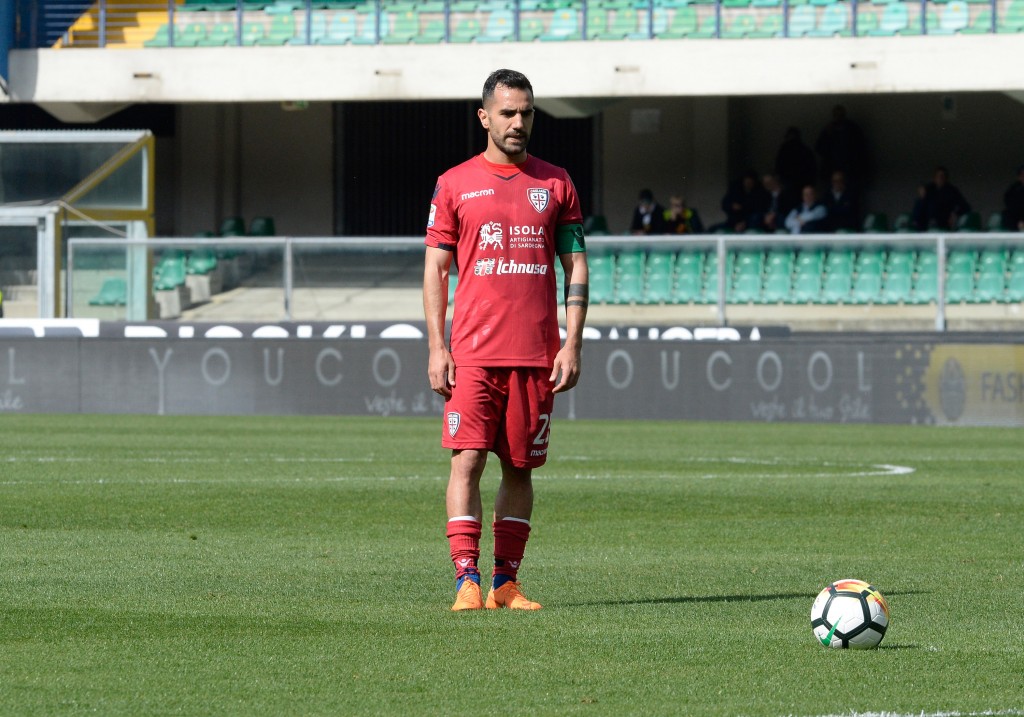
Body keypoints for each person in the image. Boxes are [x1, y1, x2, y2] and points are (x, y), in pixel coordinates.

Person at [423, 69, 589, 612]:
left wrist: (572, 343)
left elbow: (576, 264)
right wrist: (436, 346)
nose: (519, 123)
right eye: (509, 113)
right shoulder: (454, 183)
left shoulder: (557, 183)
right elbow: (436, 269)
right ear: (485, 117)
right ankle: (465, 580)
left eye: (527, 113)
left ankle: (505, 583)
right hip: (472, 353)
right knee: (466, 460)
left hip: (537, 356)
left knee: (520, 467)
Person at [815, 104, 868, 190]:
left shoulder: (853, 129)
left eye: (840, 115)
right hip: (832, 169)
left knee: (849, 195)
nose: (838, 118)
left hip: (849, 170)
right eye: (836, 115)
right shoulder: (829, 130)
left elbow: (860, 150)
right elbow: (820, 148)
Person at [923, 166, 971, 230]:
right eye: (938, 176)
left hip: (945, 223)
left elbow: (965, 206)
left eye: (943, 176)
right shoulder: (929, 189)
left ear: (946, 178)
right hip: (928, 224)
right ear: (934, 178)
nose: (940, 178)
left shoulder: (951, 190)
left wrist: (955, 213)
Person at [774, 126, 817, 195]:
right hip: (797, 181)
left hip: (793, 181)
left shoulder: (785, 149)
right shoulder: (804, 150)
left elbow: (779, 165)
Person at [1002, 164, 1024, 231]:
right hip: (1016, 220)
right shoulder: (1013, 189)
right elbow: (1011, 205)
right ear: (1019, 177)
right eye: (1022, 175)